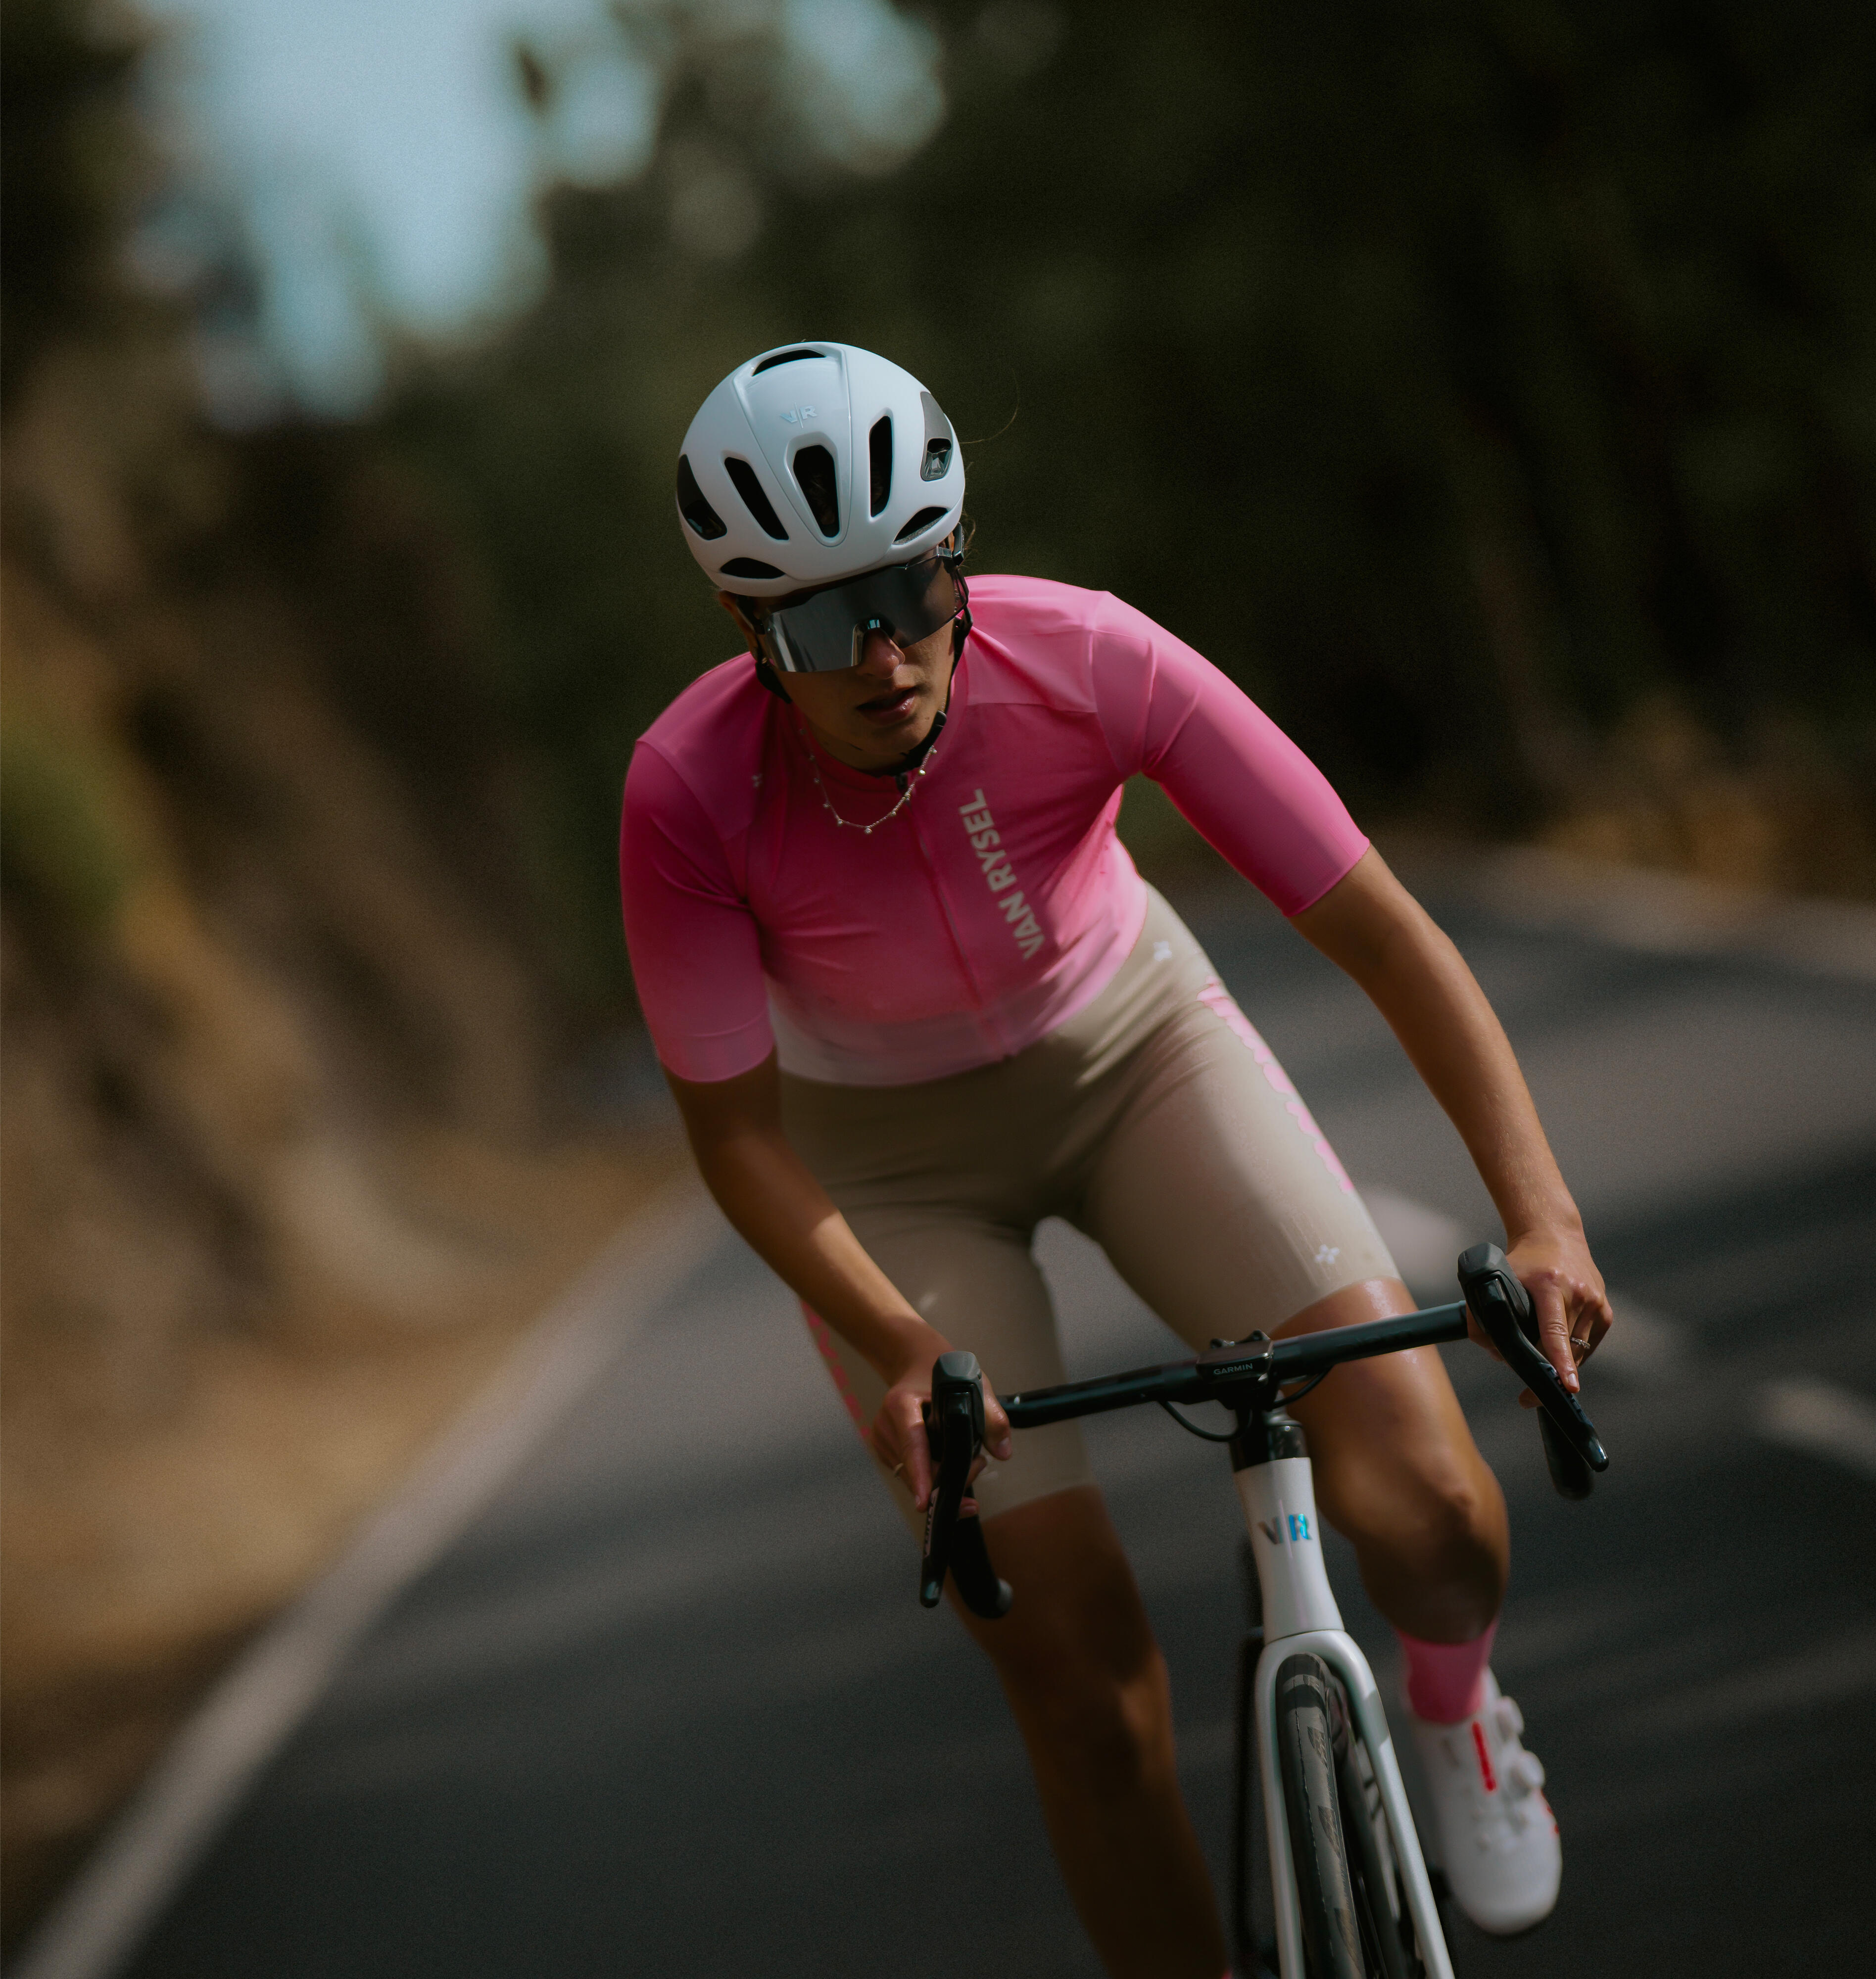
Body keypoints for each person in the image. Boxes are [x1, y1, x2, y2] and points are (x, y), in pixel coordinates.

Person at [622, 343, 1612, 1974]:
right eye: (817, 622)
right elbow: (734, 1141)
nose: (882, 654)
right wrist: (901, 1345)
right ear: (746, 630)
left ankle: (1458, 1717)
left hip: (1138, 1049)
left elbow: (1387, 935)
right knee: (1080, 1690)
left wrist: (1543, 1216)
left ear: (958, 558)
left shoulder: (1090, 656)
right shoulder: (685, 792)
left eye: (909, 589)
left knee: (1436, 1508)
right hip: (890, 1165)